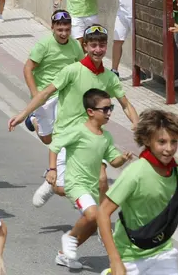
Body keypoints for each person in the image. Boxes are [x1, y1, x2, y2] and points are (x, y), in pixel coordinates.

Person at [8, 25, 139, 208]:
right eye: (93, 45)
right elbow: (45, 93)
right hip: (66, 135)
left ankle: (100, 223)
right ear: (85, 46)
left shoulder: (109, 77)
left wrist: (136, 124)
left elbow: (125, 104)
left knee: (102, 180)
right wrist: (23, 114)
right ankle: (53, 186)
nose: (98, 50)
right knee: (63, 188)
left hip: (92, 136)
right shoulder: (72, 70)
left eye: (102, 45)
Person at [46, 88, 133, 269]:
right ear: (91, 112)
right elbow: (55, 146)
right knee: (93, 214)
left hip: (92, 188)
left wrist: (122, 159)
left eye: (111, 108)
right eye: (105, 109)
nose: (109, 113)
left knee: (92, 224)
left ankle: (64, 255)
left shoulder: (106, 137)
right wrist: (52, 169)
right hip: (76, 183)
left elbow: (113, 161)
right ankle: (68, 238)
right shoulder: (78, 130)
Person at [97, 109, 178, 275]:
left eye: (174, 141)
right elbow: (102, 213)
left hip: (162, 251)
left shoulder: (176, 171)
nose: (169, 148)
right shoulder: (135, 173)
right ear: (147, 140)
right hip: (129, 255)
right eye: (162, 142)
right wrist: (115, 261)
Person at [22, 11, 85, 146]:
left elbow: (83, 68)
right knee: (47, 139)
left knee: (62, 137)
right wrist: (35, 95)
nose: (64, 34)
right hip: (45, 95)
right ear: (52, 28)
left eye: (67, 30)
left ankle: (57, 165)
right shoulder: (44, 45)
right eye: (60, 30)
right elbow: (27, 68)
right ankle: (32, 119)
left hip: (64, 96)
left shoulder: (75, 45)